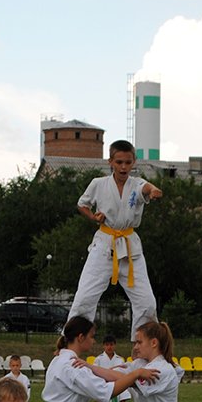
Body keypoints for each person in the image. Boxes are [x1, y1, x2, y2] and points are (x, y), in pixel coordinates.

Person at [67, 139, 163, 334]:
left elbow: (147, 187)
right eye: (119, 162)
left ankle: (144, 348)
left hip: (129, 247)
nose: (123, 167)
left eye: (128, 162)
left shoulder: (137, 184)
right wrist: (94, 217)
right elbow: (82, 204)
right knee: (84, 298)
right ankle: (67, 347)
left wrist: (154, 191)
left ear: (134, 162)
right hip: (104, 244)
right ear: (110, 161)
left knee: (146, 302)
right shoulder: (99, 184)